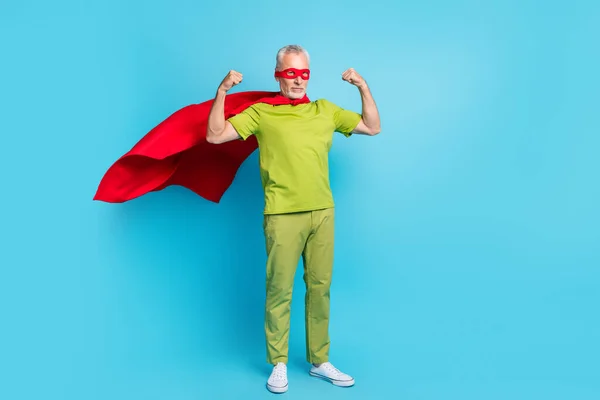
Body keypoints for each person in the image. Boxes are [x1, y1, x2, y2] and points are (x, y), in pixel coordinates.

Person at [206, 44, 380, 393]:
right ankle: (279, 363)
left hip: (322, 213)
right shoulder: (262, 113)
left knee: (320, 288)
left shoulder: (324, 111)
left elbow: (372, 128)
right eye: (290, 73)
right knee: (279, 290)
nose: (298, 80)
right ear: (278, 75)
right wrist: (222, 91)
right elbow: (215, 135)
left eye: (304, 73)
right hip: (282, 214)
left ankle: (319, 360)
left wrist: (362, 86)